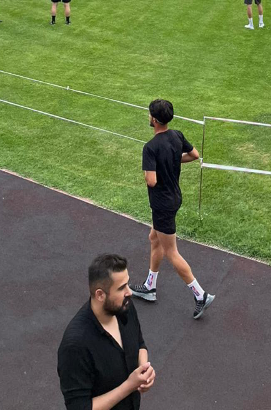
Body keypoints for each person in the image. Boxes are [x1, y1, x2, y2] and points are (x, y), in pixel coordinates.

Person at [130, 99, 214, 319]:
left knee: (171, 252)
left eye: (149, 114)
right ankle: (150, 286)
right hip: (174, 197)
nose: (148, 117)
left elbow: (151, 181)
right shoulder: (177, 135)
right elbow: (194, 155)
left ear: (155, 119)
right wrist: (173, 162)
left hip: (162, 204)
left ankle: (200, 295)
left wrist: (156, 167)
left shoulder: (150, 148)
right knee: (154, 238)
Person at [57, 254, 154, 409]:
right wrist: (129, 386)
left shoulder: (124, 306)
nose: (129, 292)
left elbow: (139, 343)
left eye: (127, 284)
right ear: (100, 294)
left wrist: (144, 370)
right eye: (121, 287)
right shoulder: (75, 346)